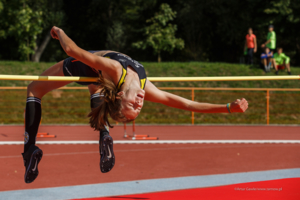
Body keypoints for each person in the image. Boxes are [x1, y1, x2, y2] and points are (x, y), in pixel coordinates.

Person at [22, 26, 249, 184]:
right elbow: (188, 104)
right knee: (97, 87)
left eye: (133, 105)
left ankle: (29, 148)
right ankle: (104, 136)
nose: (140, 103)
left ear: (121, 97)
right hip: (96, 73)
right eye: (139, 108)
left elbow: (73, 51)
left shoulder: (116, 70)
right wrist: (228, 107)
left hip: (81, 64)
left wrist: (59, 32)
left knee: (34, 88)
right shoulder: (143, 86)